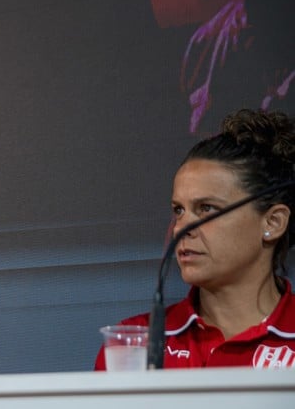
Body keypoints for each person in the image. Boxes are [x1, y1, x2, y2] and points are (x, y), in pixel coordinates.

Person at [95, 108, 295, 370]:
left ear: (273, 222)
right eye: (179, 210)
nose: (181, 227)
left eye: (206, 208)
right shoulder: (133, 345)